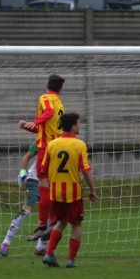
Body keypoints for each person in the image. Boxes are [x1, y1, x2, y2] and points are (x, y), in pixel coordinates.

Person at [41, 112, 97, 268]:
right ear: (73, 126)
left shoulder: (52, 144)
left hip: (56, 192)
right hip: (73, 193)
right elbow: (85, 171)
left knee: (60, 222)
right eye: (79, 123)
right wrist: (92, 190)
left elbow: (43, 169)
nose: (80, 126)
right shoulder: (79, 145)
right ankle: (71, 260)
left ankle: (49, 254)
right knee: (77, 224)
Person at [19, 74, 66, 241]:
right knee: (52, 185)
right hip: (58, 146)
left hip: (46, 149)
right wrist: (28, 126)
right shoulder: (60, 103)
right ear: (61, 89)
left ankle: (43, 225)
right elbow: (46, 127)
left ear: (47, 85)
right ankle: (52, 222)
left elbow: (48, 112)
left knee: (43, 184)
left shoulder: (46, 97)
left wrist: (36, 121)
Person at [0, 141, 49, 257]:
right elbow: (27, 156)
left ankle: (41, 246)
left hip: (50, 181)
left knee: (52, 213)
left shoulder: (61, 141)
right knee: (27, 209)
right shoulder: (41, 140)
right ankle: (6, 242)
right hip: (35, 179)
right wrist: (22, 172)